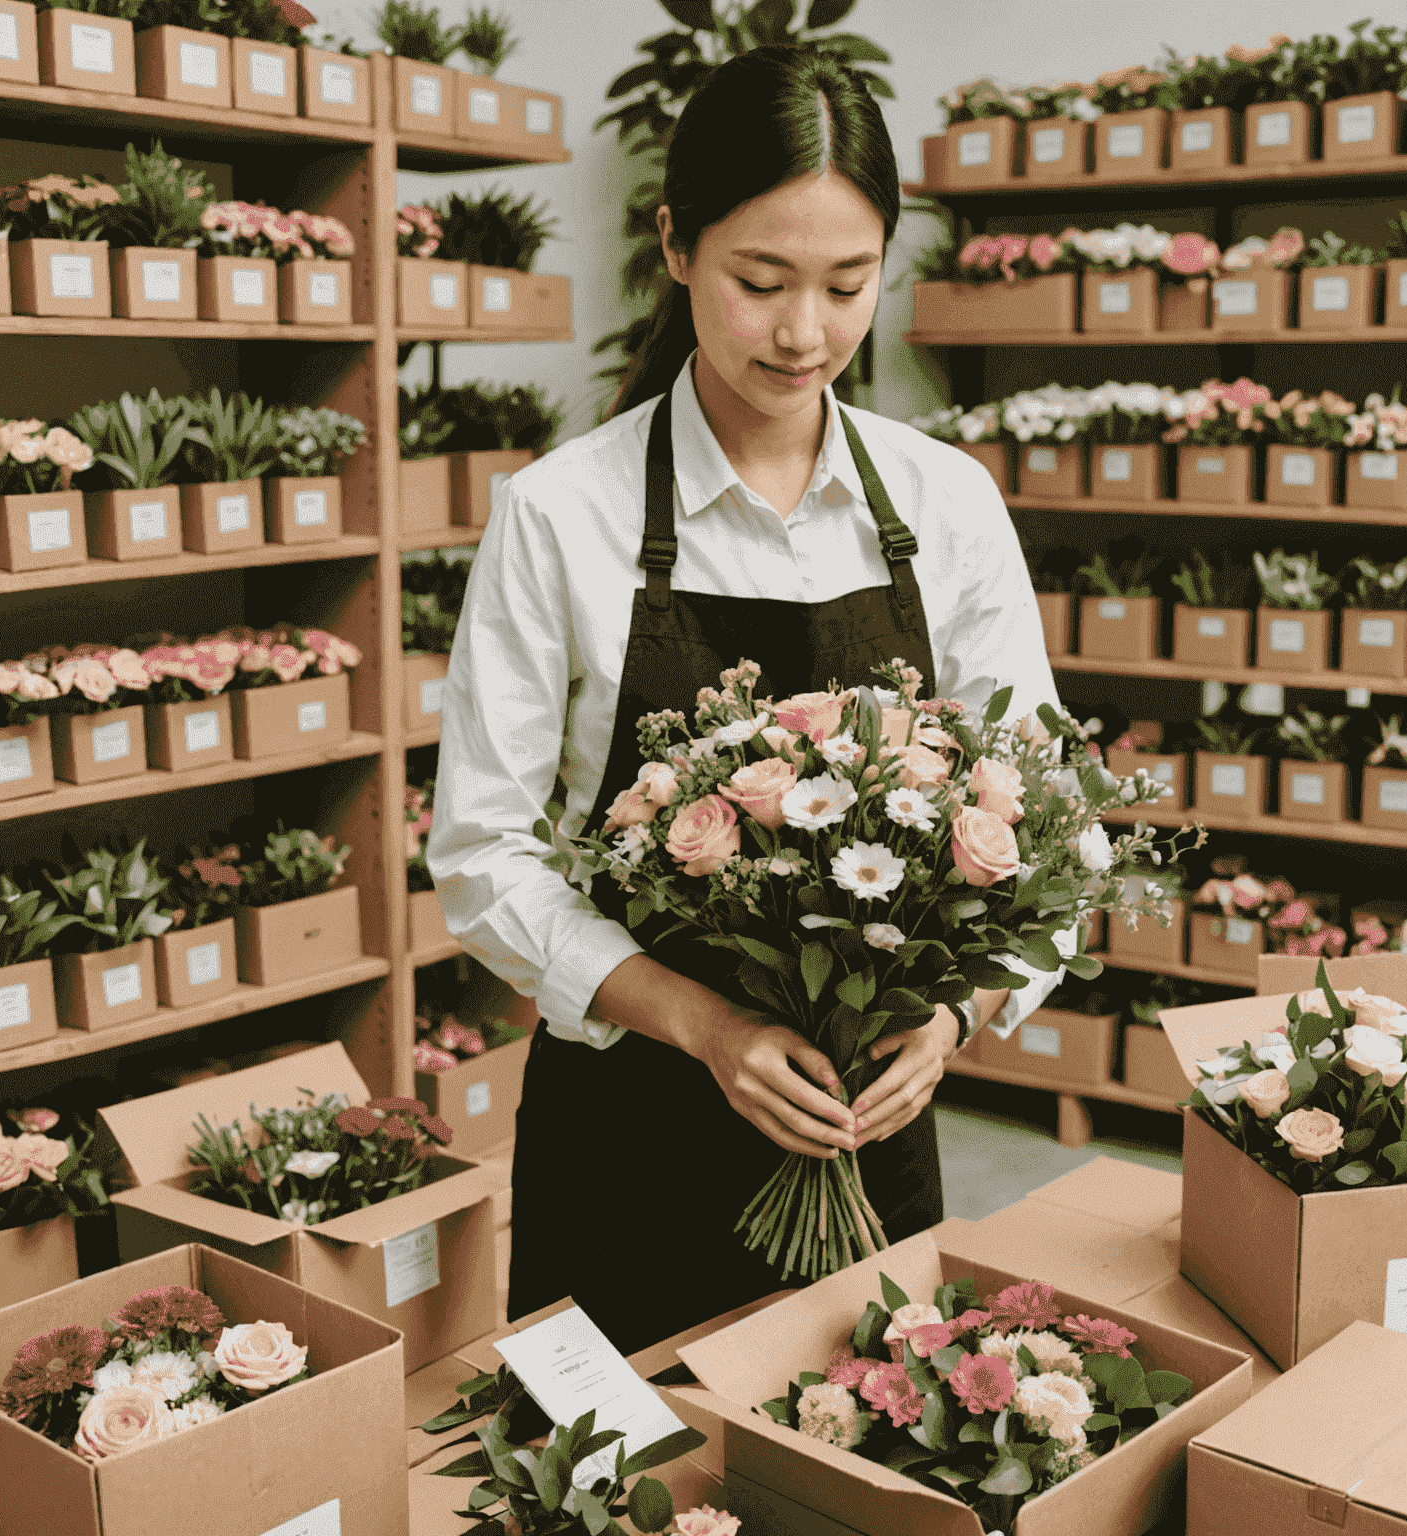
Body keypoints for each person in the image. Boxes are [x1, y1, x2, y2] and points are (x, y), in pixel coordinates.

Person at [429, 44, 1062, 1356]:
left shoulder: (948, 507)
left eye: (846, 286)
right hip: (625, 1136)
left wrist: (948, 1019)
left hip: (862, 1133)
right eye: (760, 282)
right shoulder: (560, 514)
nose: (805, 333)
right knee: (607, 1483)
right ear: (674, 246)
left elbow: (1048, 820)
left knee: (860, 1462)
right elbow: (484, 857)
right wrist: (705, 1024)